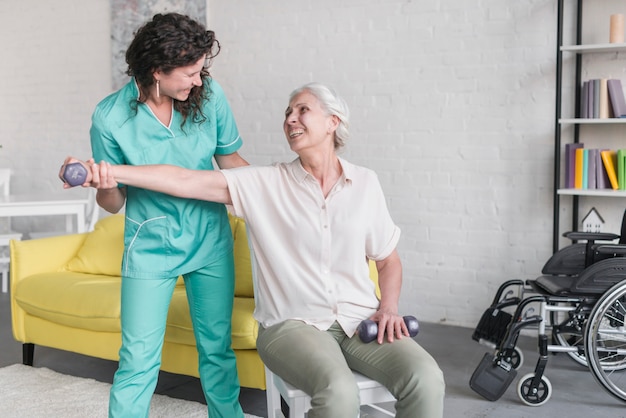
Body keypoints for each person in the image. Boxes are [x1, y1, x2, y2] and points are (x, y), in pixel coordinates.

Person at [62, 82, 445, 417]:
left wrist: (389, 307)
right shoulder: (265, 184)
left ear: (333, 122)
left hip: (359, 319)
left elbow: (388, 259)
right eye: (287, 112)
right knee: (338, 390)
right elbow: (180, 179)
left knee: (426, 377)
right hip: (292, 324)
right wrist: (108, 172)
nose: (291, 118)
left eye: (303, 110)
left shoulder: (366, 183)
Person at [87, 13, 247, 418]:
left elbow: (230, 160)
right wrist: (105, 182)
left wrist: (278, 192)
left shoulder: (209, 97)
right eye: (190, 73)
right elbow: (114, 202)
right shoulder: (110, 118)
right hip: (150, 246)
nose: (198, 80)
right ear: (157, 70)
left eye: (200, 71)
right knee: (138, 359)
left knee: (217, 350)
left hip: (209, 239)